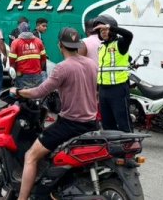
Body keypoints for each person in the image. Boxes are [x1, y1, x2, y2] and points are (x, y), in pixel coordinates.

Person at [9, 28, 99, 200]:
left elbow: (39, 91)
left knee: (30, 156)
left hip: (70, 125)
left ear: (60, 45)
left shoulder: (62, 68)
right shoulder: (91, 64)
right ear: (78, 45)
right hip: (92, 123)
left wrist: (18, 91)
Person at [93, 14, 134, 132]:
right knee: (107, 123)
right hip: (103, 90)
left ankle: (130, 142)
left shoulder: (120, 44)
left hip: (118, 89)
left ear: (111, 29)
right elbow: (101, 70)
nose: (103, 32)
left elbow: (129, 35)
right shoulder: (101, 48)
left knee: (123, 122)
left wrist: (109, 27)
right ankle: (112, 143)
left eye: (105, 30)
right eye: (100, 31)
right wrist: (97, 89)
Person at [9, 22, 48, 89]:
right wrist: (38, 70)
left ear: (20, 30)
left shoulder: (15, 42)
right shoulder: (38, 41)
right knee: (36, 93)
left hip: (22, 75)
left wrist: (15, 73)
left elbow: (12, 61)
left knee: (22, 94)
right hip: (37, 75)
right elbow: (43, 59)